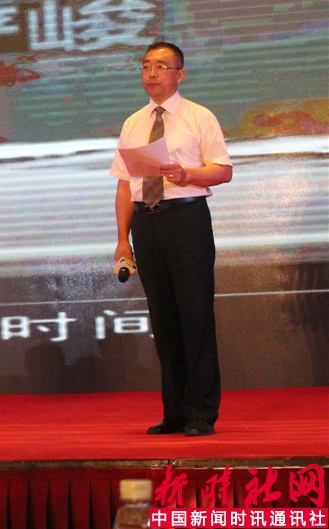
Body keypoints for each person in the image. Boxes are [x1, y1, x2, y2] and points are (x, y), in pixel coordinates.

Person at [111, 41, 232, 437]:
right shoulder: (134, 122)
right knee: (163, 322)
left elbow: (223, 170)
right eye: (146, 65)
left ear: (180, 74)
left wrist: (187, 175)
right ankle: (175, 412)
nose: (152, 73)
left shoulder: (198, 116)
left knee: (195, 317)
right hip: (147, 223)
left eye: (161, 66)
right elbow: (125, 185)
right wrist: (123, 239)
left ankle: (201, 413)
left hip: (186, 220)